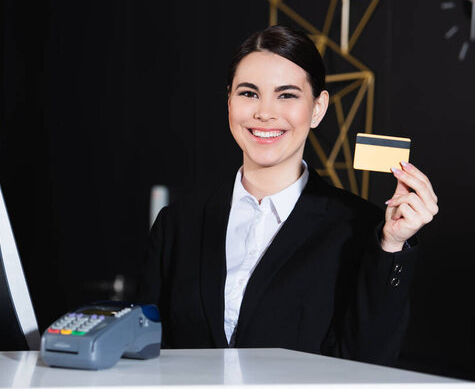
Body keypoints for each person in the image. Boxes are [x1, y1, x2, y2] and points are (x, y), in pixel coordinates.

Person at [135, 25, 438, 366]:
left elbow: (369, 359)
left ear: (318, 109)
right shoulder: (178, 224)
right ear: (230, 102)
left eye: (287, 95)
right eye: (249, 93)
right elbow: (143, 353)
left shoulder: (360, 228)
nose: (265, 112)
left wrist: (392, 246)